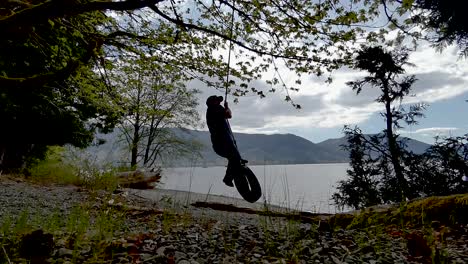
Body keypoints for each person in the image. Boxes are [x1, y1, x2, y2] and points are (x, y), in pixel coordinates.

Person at [206, 95, 246, 187]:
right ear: (211, 103)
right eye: (217, 101)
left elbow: (227, 116)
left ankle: (230, 176)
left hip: (225, 142)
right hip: (221, 143)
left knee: (235, 159)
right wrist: (227, 107)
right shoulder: (213, 110)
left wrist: (225, 108)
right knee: (234, 159)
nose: (219, 103)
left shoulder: (217, 108)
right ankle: (227, 179)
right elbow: (229, 115)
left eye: (219, 101)